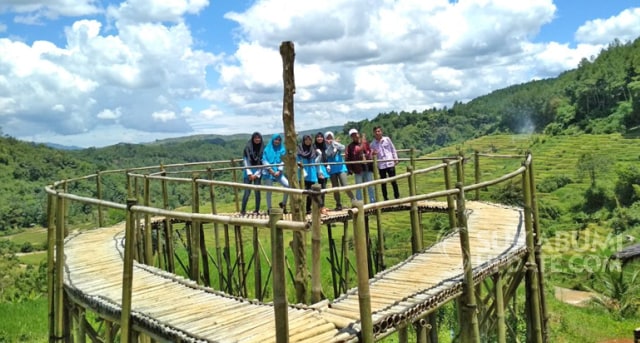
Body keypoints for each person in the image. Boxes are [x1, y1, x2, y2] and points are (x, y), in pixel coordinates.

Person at [324, 131, 354, 210]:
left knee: (345, 185)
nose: (329, 139)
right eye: (328, 138)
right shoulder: (325, 147)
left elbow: (343, 147)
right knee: (335, 188)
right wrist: (332, 145)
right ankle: (338, 204)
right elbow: (328, 154)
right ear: (325, 139)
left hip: (341, 168)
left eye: (331, 138)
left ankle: (354, 200)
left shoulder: (336, 144)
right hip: (332, 169)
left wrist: (334, 143)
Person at [345, 128, 375, 204]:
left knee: (370, 185)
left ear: (358, 134)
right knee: (358, 187)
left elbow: (369, 151)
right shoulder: (350, 146)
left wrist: (370, 154)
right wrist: (349, 169)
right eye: (353, 135)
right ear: (351, 137)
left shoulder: (365, 143)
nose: (355, 136)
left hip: (367, 167)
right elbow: (348, 158)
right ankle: (359, 203)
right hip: (357, 169)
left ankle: (373, 202)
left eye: (356, 134)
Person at [370, 126, 400, 200]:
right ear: (374, 133)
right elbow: (371, 155)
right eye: (376, 132)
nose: (377, 133)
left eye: (379, 131)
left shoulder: (387, 139)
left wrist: (395, 158)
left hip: (390, 162)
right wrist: (373, 154)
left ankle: (397, 197)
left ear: (381, 132)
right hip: (381, 165)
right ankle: (385, 198)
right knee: (383, 183)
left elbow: (392, 148)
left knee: (393, 181)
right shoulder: (372, 144)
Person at [262, 133, 290, 213]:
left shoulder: (282, 149)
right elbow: (264, 160)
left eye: (279, 140)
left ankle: (283, 204)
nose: (277, 141)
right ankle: (269, 208)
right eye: (276, 139)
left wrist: (279, 170)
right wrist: (270, 170)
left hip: (278, 172)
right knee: (269, 190)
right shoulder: (267, 149)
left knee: (288, 185)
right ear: (272, 140)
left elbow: (283, 160)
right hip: (268, 173)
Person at [297, 134, 322, 215]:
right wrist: (302, 169)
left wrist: (320, 155)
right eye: (306, 140)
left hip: (312, 173)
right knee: (303, 192)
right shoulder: (300, 150)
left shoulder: (313, 149)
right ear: (304, 140)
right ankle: (301, 209)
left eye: (309, 140)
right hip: (303, 174)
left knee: (311, 193)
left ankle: (308, 209)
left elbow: (316, 161)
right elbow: (297, 161)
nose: (308, 141)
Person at [240, 132, 264, 215]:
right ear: (252, 139)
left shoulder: (262, 149)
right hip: (248, 173)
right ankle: (243, 210)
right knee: (247, 192)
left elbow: (262, 162)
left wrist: (256, 174)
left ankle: (257, 210)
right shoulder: (248, 148)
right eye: (255, 138)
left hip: (258, 172)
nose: (257, 139)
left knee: (257, 192)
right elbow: (246, 161)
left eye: (259, 138)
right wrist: (250, 174)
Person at [314, 132, 330, 214]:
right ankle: (320, 206)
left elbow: (325, 157)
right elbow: (315, 160)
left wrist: (328, 165)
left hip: (324, 168)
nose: (320, 138)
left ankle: (322, 205)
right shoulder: (314, 147)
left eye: (321, 137)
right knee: (321, 187)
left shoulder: (324, 147)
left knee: (324, 188)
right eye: (318, 137)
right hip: (318, 168)